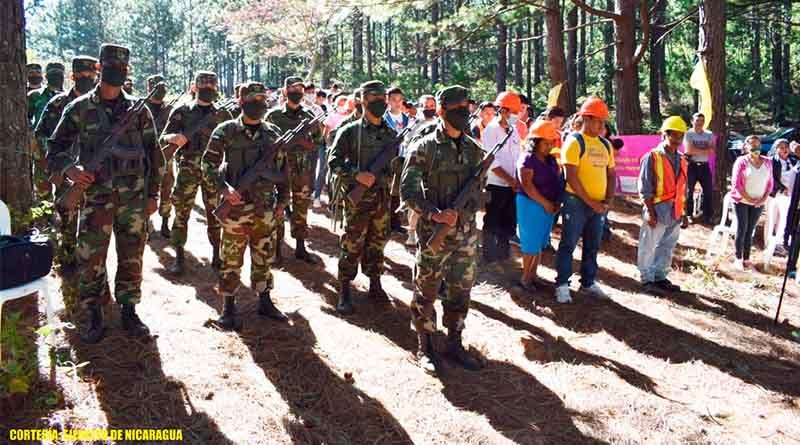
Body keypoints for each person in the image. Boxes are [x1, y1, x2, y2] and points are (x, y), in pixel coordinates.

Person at [46, 43, 164, 343]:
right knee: (91, 258)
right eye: (111, 66)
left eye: (122, 68)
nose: (116, 72)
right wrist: (71, 170)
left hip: (134, 200)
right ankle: (94, 312)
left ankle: (128, 310)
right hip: (96, 198)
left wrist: (154, 196)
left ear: (127, 72)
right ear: (99, 68)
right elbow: (55, 147)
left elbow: (154, 155)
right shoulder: (80, 108)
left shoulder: (139, 111)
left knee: (132, 256)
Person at [401, 85, 485, 373]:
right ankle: (425, 345)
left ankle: (455, 341)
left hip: (465, 235)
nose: (463, 112)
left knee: (461, 289)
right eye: (456, 108)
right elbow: (408, 190)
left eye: (466, 107)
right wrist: (435, 214)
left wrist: (463, 210)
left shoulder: (475, 150)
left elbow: (479, 192)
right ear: (441, 110)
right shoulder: (424, 146)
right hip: (433, 233)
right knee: (426, 289)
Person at [202, 81, 289, 330]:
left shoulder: (272, 133)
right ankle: (228, 307)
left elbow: (283, 171)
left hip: (265, 209)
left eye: (262, 100)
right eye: (252, 100)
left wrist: (283, 201)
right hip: (235, 209)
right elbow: (207, 165)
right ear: (240, 102)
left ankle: (264, 300)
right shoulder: (225, 131)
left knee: (263, 255)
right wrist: (223, 189)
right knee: (231, 259)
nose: (258, 105)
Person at [328, 80, 396, 315]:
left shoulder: (391, 134)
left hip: (381, 198)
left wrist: (383, 177)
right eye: (374, 99)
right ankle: (345, 289)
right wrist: (358, 175)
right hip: (357, 199)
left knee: (378, 241)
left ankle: (375, 284)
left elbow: (394, 166)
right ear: (363, 101)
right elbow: (333, 162)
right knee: (352, 242)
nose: (379, 103)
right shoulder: (350, 131)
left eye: (382, 99)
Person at [161, 71, 233, 274]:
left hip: (213, 171)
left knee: (215, 213)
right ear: (195, 87)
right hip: (187, 170)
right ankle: (179, 256)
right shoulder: (182, 111)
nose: (208, 91)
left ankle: (217, 255)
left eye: (211, 87)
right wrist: (174, 137)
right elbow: (163, 137)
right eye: (204, 87)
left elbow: (233, 141)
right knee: (181, 212)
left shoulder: (222, 114)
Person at [35, 56, 98, 273]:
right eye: (81, 75)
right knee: (68, 219)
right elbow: (42, 135)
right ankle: (69, 258)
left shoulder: (102, 105)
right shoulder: (58, 104)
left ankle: (92, 265)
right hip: (68, 173)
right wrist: (63, 166)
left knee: (94, 222)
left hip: (95, 175)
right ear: (72, 77)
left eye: (91, 74)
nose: (87, 78)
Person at [554, 97, 615, 304]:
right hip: (576, 203)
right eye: (598, 120)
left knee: (593, 244)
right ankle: (562, 284)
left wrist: (608, 200)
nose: (601, 125)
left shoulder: (606, 145)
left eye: (603, 121)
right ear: (586, 119)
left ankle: (588, 282)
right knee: (568, 243)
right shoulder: (573, 142)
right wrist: (592, 203)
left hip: (598, 205)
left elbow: (611, 174)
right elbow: (571, 177)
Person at [265, 76, 324, 264]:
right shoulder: (273, 116)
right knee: (278, 207)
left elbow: (317, 144)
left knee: (301, 208)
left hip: (302, 170)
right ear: (284, 91)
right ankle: (277, 249)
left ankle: (300, 247)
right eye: (292, 88)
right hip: (279, 171)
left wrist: (300, 141)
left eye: (300, 89)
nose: (296, 92)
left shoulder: (310, 117)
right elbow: (265, 144)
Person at [637, 116, 689, 294]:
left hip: (674, 211)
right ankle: (646, 279)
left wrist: (684, 212)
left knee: (667, 245)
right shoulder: (651, 157)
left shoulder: (682, 159)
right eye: (674, 135)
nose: (677, 140)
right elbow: (644, 188)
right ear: (664, 135)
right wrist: (650, 213)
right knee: (649, 244)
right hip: (657, 209)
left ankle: (660, 276)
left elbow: (683, 186)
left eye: (680, 136)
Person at [516, 121, 562, 291]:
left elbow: (556, 181)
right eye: (546, 143)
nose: (550, 146)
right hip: (531, 205)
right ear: (535, 142)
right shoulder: (527, 159)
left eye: (552, 142)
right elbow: (527, 185)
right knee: (530, 244)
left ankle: (533, 275)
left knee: (539, 243)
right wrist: (545, 203)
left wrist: (556, 203)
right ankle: (525, 279)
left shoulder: (551, 160)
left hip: (548, 207)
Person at [482, 91, 522, 262]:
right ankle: (489, 257)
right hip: (496, 184)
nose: (516, 116)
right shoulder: (491, 130)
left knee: (508, 222)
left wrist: (517, 180)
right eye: (514, 112)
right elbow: (492, 162)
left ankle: (503, 255)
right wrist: (510, 180)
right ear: (503, 110)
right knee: (492, 221)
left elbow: (518, 156)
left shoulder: (513, 131)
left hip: (512, 185)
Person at [730, 135, 773, 271]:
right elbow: (736, 184)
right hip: (741, 200)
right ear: (746, 146)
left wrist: (763, 198)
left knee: (750, 230)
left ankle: (747, 259)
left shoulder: (767, 162)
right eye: (752, 145)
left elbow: (770, 183)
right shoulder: (741, 161)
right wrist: (748, 198)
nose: (756, 147)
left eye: (758, 145)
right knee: (742, 229)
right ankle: (738, 258)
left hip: (758, 202)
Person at [143, 75, 176, 238]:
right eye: (155, 87)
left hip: (165, 155)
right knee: (145, 188)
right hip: (145, 156)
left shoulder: (170, 109)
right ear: (148, 88)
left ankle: (165, 221)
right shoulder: (140, 107)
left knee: (167, 189)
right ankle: (146, 222)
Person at [404, 94, 437, 246]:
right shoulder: (414, 124)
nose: (429, 109)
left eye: (432, 106)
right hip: (417, 167)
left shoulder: (439, 123)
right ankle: (411, 232)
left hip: (435, 169)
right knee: (415, 201)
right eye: (426, 106)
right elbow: (407, 144)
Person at [29, 62, 65, 199]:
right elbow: (25, 118)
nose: (56, 76)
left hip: (64, 149)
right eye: (52, 73)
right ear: (46, 76)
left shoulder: (69, 98)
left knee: (65, 187)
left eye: (58, 73)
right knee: (42, 188)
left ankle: (64, 217)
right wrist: (31, 138)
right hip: (40, 148)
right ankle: (45, 217)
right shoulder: (35, 96)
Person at [316, 95, 353, 208]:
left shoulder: (352, 119)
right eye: (340, 104)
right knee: (323, 171)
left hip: (345, 152)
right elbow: (326, 135)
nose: (343, 108)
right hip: (329, 149)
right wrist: (332, 148)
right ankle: (317, 195)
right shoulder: (333, 117)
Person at [384, 86, 410, 233]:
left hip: (403, 159)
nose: (397, 103)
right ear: (388, 101)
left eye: (400, 100)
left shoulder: (408, 119)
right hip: (388, 160)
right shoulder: (384, 118)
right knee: (386, 191)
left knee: (397, 192)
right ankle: (385, 222)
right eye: (394, 100)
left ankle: (395, 223)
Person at [682, 113, 715, 227]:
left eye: (702, 120)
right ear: (692, 121)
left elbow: (712, 151)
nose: (700, 122)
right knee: (689, 191)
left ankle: (707, 216)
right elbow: (689, 150)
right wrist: (704, 149)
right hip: (691, 165)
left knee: (708, 191)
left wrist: (697, 150)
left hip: (704, 166)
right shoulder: (688, 134)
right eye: (697, 120)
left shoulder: (709, 134)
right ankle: (688, 214)